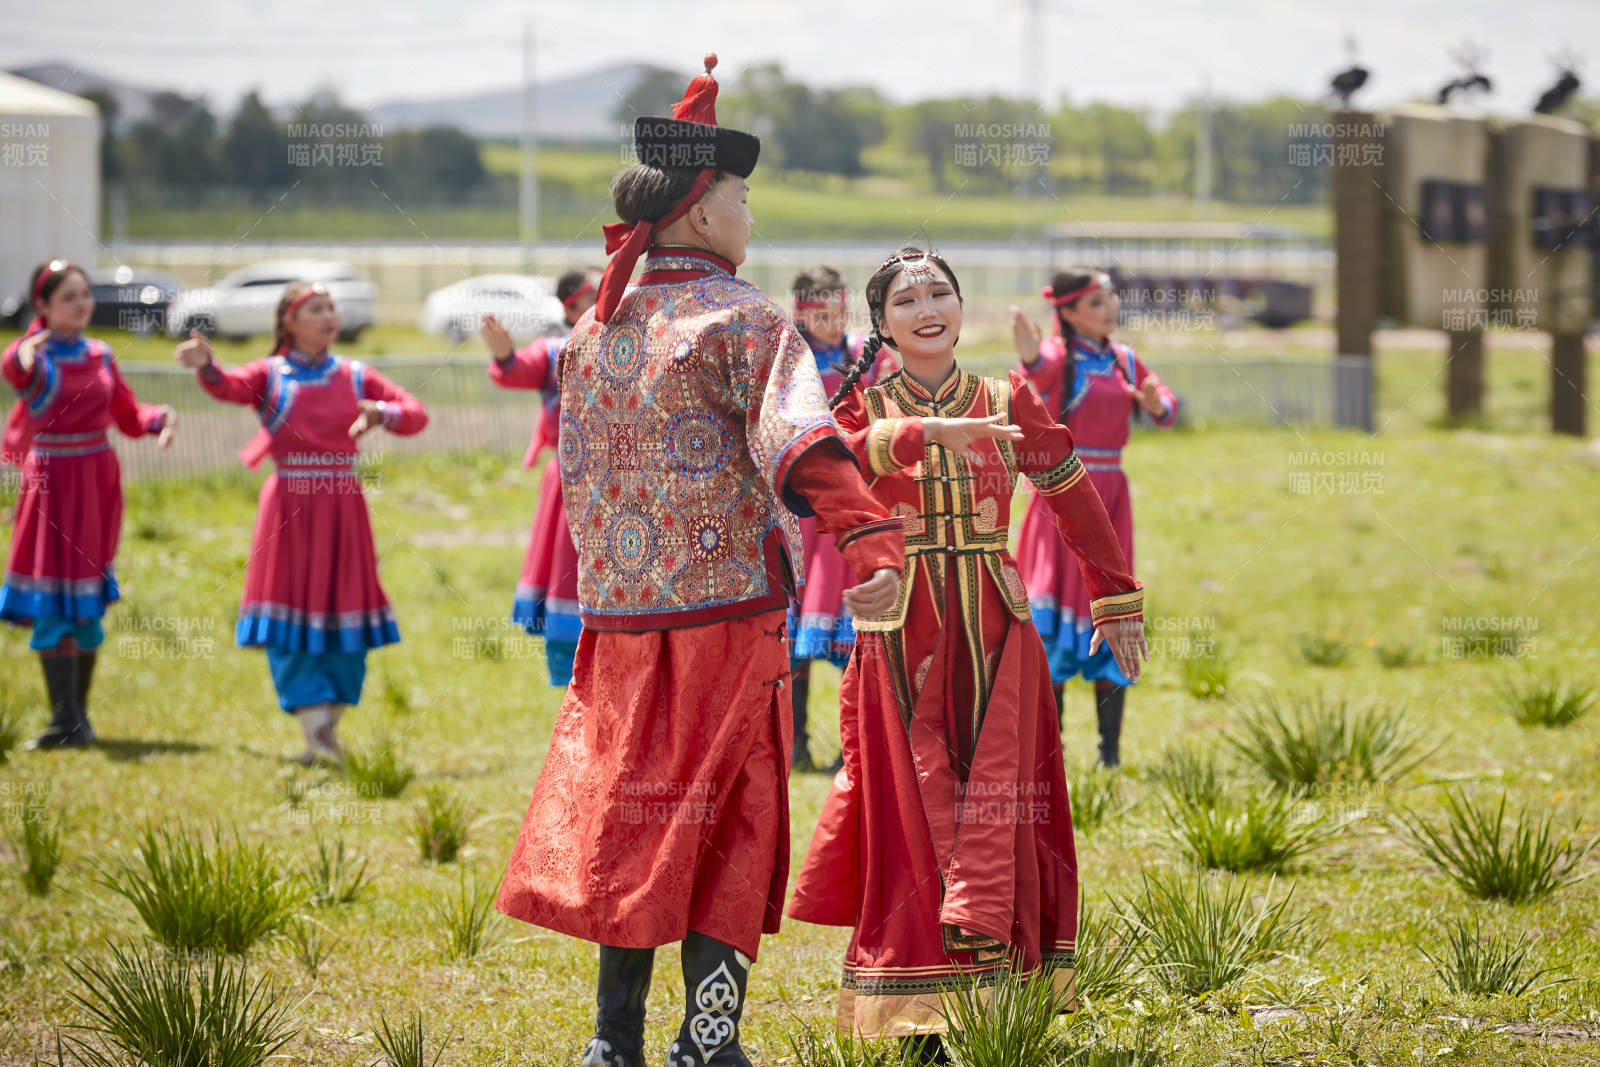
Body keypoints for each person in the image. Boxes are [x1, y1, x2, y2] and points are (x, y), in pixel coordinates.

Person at [494, 55, 906, 1067]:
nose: (751, 218)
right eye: (741, 199)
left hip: (622, 621)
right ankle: (707, 1042)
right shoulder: (744, 318)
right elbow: (800, 439)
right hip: (728, 618)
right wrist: (870, 536)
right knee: (732, 815)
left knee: (626, 813)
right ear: (696, 209)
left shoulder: (596, 326)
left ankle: (610, 1041)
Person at [787, 247, 1147, 1054]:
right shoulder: (859, 404)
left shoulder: (1006, 394)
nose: (926, 306)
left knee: (999, 801)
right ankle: (916, 1006)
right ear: (880, 324)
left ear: (961, 306)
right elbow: (824, 471)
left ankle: (998, 990)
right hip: (900, 625)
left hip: (994, 622)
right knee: (910, 802)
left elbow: (1070, 491)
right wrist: (921, 433)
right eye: (906, 297)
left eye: (939, 292)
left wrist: (1115, 593)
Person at [174, 282, 428, 763]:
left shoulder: (356, 375)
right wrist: (207, 364)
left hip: (342, 504)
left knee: (345, 605)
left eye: (332, 308)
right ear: (289, 321)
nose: (328, 316)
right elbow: (227, 386)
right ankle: (316, 732)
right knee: (291, 610)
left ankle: (327, 728)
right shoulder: (270, 375)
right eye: (315, 309)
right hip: (289, 505)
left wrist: (382, 413)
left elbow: (416, 415)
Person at [1, 259, 176, 748]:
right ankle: (64, 716)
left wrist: (158, 418)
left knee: (86, 594)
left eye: (84, 295)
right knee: (52, 591)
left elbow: (127, 412)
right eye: (68, 298)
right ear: (43, 305)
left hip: (96, 482)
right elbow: (13, 366)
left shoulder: (100, 354)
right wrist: (25, 350)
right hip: (52, 481)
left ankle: (78, 719)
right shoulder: (33, 358)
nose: (81, 305)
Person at [1010, 269, 1177, 766]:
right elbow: (1036, 373)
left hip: (1111, 497)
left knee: (1109, 602)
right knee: (1052, 614)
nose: (1110, 308)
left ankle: (1110, 753)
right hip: (1062, 493)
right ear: (1069, 312)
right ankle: (1050, 751)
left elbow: (1165, 406)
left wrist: (1157, 404)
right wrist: (1029, 355)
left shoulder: (1123, 359)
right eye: (1097, 301)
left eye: (1111, 299)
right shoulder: (1061, 359)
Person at [786, 265, 900, 771]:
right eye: (822, 309)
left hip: (852, 502)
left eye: (839, 306)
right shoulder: (787, 357)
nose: (833, 319)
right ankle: (795, 745)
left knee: (849, 626)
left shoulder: (868, 356)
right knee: (793, 634)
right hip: (798, 509)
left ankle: (849, 749)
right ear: (802, 311)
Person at [480, 266, 602, 686]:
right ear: (570, 310)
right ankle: (574, 685)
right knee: (571, 579)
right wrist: (504, 356)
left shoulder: (638, 345)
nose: (611, 299)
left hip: (631, 482)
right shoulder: (555, 352)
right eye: (595, 295)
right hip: (572, 483)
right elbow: (517, 371)